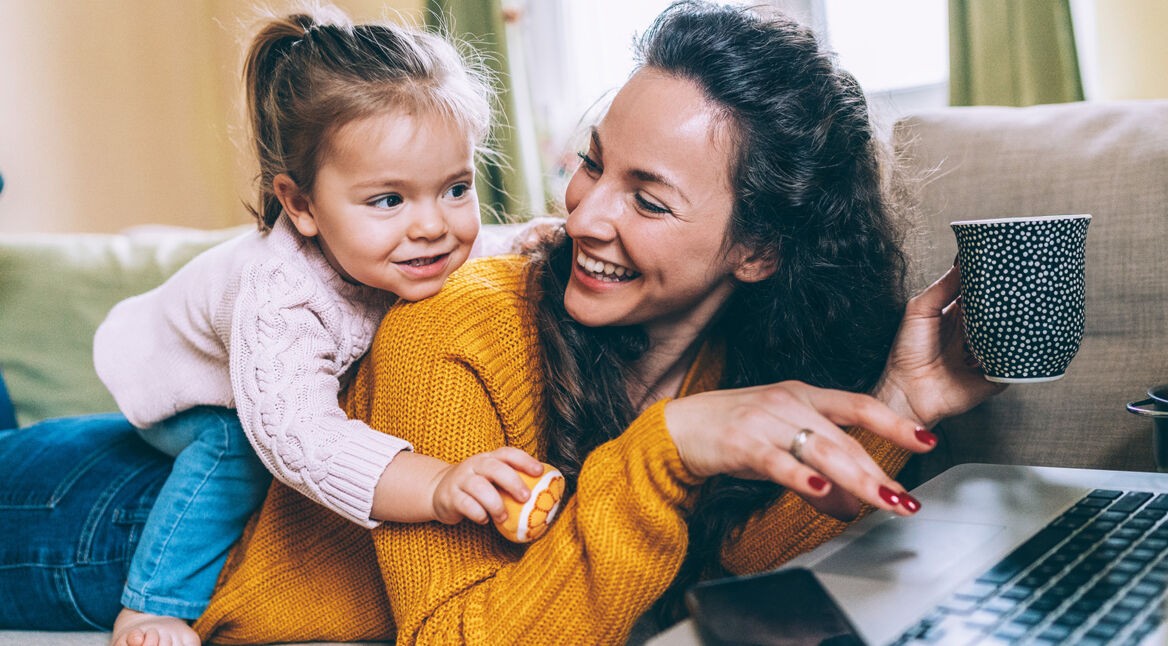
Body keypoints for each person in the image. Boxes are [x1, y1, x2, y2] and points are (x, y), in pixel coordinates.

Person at [0, 1, 999, 643]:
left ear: (759, 252)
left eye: (648, 199)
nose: (586, 213)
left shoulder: (722, 355)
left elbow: (739, 560)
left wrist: (894, 407)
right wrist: (661, 453)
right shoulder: (451, 326)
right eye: (592, 162)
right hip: (104, 523)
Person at [1, 6, 550, 646]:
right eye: (389, 199)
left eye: (455, 188)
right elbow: (301, 441)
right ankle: (151, 603)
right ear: (300, 204)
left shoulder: (420, 247)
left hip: (249, 376)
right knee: (233, 450)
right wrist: (435, 484)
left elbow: (491, 247)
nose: (433, 225)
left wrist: (544, 240)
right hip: (182, 385)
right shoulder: (281, 296)